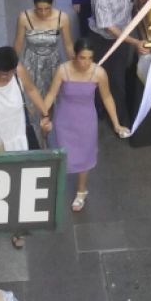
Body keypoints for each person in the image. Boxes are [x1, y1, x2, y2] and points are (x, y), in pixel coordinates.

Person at [43, 39, 130, 213]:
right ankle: (57, 188)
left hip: (86, 121)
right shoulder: (63, 70)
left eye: (90, 58)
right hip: (64, 120)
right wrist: (45, 115)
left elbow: (107, 98)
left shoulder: (99, 73)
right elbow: (51, 94)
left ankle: (81, 191)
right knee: (62, 154)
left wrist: (117, 124)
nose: (86, 62)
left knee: (84, 156)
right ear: (75, 56)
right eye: (82, 57)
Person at [88, 0, 147, 127]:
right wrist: (134, 42)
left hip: (122, 36)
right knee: (101, 76)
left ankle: (120, 117)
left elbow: (132, 2)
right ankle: (104, 111)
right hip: (102, 39)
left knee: (117, 78)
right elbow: (109, 28)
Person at [0, 46, 49, 150]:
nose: (5, 77)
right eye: (2, 74)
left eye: (9, 74)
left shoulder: (19, 71)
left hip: (20, 137)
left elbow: (31, 90)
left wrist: (45, 114)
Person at [14, 0, 74, 108]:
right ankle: (33, 125)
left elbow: (68, 45)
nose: (43, 13)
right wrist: (12, 68)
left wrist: (74, 68)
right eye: (39, 9)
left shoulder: (62, 18)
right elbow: (18, 44)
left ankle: (46, 123)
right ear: (34, 5)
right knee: (30, 99)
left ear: (52, 4)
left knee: (50, 98)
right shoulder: (24, 17)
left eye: (47, 9)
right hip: (30, 63)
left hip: (52, 64)